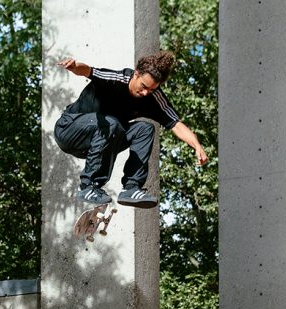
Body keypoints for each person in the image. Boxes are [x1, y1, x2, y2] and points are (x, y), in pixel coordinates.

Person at [54, 50, 208, 209]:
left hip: (96, 144)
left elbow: (175, 123)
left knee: (145, 129)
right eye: (144, 86)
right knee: (112, 123)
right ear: (136, 74)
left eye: (152, 89)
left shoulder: (152, 98)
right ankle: (88, 186)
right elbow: (89, 71)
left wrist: (197, 146)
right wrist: (74, 66)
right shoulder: (116, 79)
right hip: (69, 130)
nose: (145, 93)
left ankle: (131, 188)